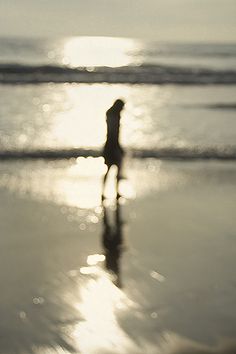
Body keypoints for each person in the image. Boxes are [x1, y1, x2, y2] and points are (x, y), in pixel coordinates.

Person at [102, 99, 125, 199]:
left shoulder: (110, 113)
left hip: (110, 145)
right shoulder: (114, 115)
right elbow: (113, 133)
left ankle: (111, 192)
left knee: (111, 170)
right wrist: (118, 147)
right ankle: (113, 192)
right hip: (112, 145)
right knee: (113, 169)